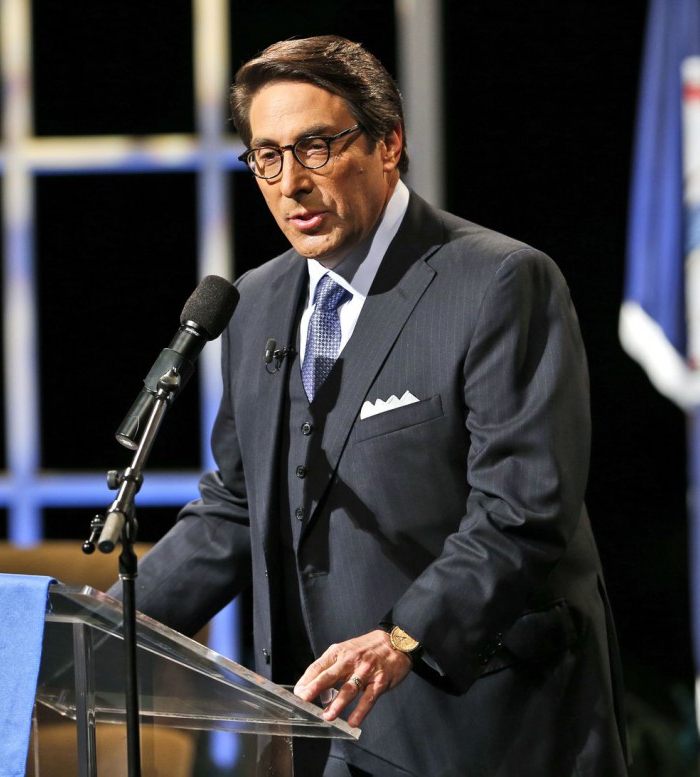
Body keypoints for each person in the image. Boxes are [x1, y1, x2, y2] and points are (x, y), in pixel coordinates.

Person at [115, 35, 629, 775]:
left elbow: (522, 507)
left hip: (483, 727)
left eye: (315, 147)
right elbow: (237, 507)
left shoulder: (498, 282)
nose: (291, 183)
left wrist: (403, 637)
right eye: (267, 156)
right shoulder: (256, 302)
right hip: (317, 728)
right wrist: (102, 626)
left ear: (389, 144)